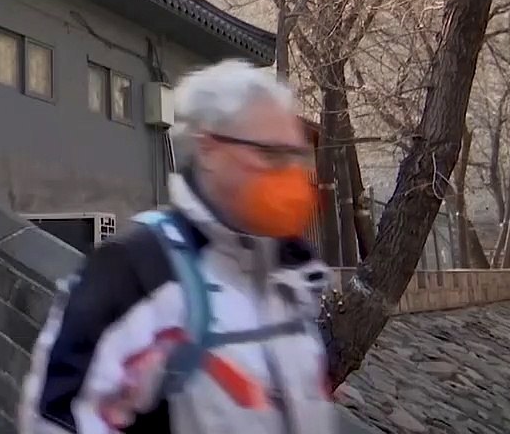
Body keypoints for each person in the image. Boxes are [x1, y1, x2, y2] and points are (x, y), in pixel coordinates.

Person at [18, 59, 338, 434]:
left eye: (295, 156)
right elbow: (58, 418)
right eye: (270, 155)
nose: (289, 175)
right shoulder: (138, 271)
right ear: (209, 150)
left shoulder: (295, 274)